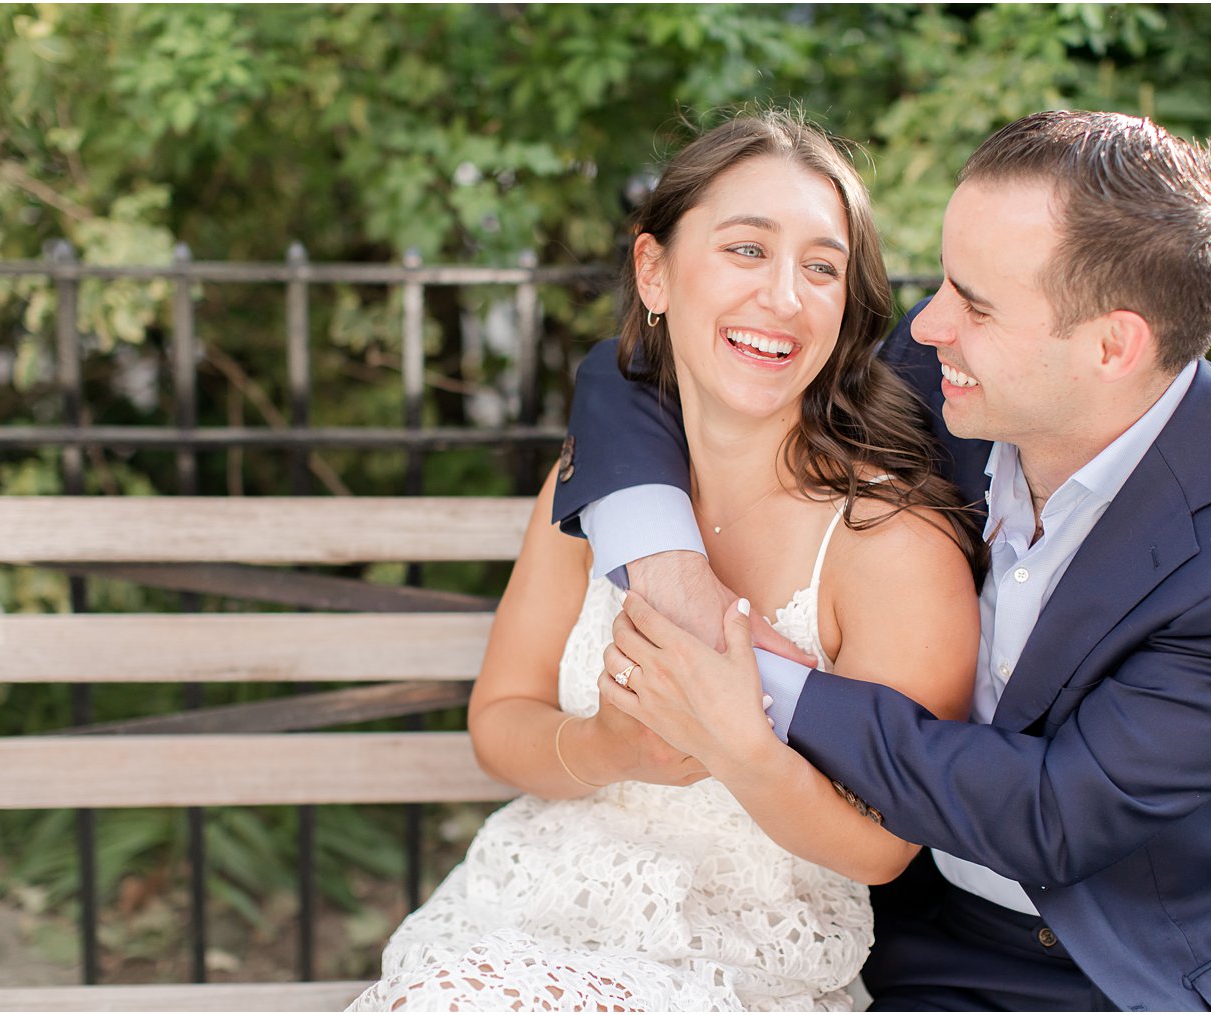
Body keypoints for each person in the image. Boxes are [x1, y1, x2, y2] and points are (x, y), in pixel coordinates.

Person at [561, 110, 1211, 1011]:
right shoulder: (945, 377)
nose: (928, 322)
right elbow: (632, 374)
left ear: (1115, 346)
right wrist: (672, 567)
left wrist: (745, 671)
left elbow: (1052, 814)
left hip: (1177, 967)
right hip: (939, 949)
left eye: (975, 304)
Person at [345, 110, 985, 1012]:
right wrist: (609, 747)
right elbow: (500, 720)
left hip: (742, 957)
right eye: (746, 251)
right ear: (655, 271)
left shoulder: (889, 537)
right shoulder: (597, 485)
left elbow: (885, 846)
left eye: (820, 266)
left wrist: (740, 747)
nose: (784, 298)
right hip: (521, 911)